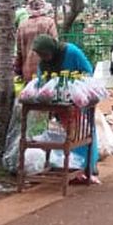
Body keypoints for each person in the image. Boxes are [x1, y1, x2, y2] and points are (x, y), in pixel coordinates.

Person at [31, 34, 99, 184]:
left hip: (77, 100)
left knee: (82, 133)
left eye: (45, 54)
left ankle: (87, 167)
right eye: (41, 55)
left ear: (52, 48)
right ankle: (69, 167)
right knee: (63, 134)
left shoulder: (71, 52)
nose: (44, 57)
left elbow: (88, 71)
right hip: (58, 104)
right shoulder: (44, 63)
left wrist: (74, 85)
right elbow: (41, 79)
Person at [15, 0, 58, 83]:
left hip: (27, 70)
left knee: (29, 95)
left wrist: (18, 70)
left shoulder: (22, 25)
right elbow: (54, 46)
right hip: (46, 69)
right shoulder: (49, 22)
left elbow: (19, 52)